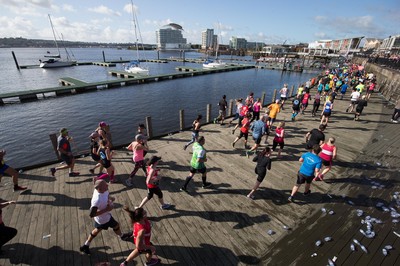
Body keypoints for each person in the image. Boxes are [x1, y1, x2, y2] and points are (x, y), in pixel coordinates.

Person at [80, 180, 122, 255]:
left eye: (106, 184)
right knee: (116, 225)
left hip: (101, 218)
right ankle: (122, 236)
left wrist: (110, 198)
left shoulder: (103, 190)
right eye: (105, 185)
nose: (107, 185)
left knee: (97, 229)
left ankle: (86, 245)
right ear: (99, 189)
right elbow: (92, 215)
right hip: (104, 219)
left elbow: (106, 194)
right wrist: (107, 209)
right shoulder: (97, 200)